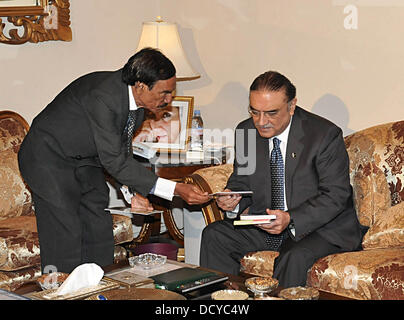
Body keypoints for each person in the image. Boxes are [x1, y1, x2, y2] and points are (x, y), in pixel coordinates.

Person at [18, 47, 210, 273]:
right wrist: (176, 189)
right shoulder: (104, 97)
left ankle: (101, 288)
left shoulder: (138, 107)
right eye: (164, 93)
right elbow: (114, 160)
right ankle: (61, 293)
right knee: (66, 229)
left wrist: (131, 192)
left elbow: (120, 153)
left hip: (86, 159)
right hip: (46, 156)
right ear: (140, 85)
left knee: (98, 224)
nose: (169, 100)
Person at [199, 71, 364, 287]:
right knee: (215, 235)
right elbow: (242, 179)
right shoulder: (247, 131)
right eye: (254, 112)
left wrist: (290, 219)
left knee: (292, 257)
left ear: (292, 105)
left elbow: (336, 195)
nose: (261, 121)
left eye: (271, 113)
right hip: (268, 224)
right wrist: (233, 197)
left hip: (318, 229)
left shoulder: (324, 135)